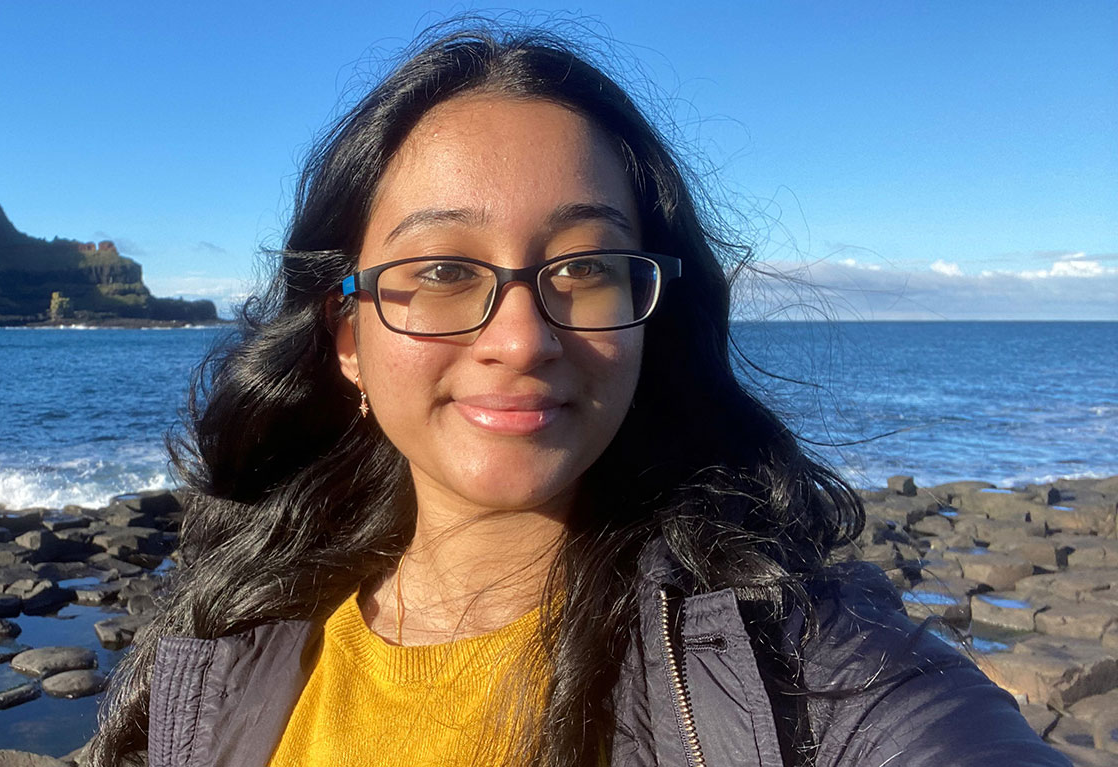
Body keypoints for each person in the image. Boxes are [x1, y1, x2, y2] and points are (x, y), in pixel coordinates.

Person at [87, 22, 1071, 767]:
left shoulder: (801, 664)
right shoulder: (221, 650)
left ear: (649, 313)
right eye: (440, 271)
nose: (520, 338)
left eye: (585, 267)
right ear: (347, 334)